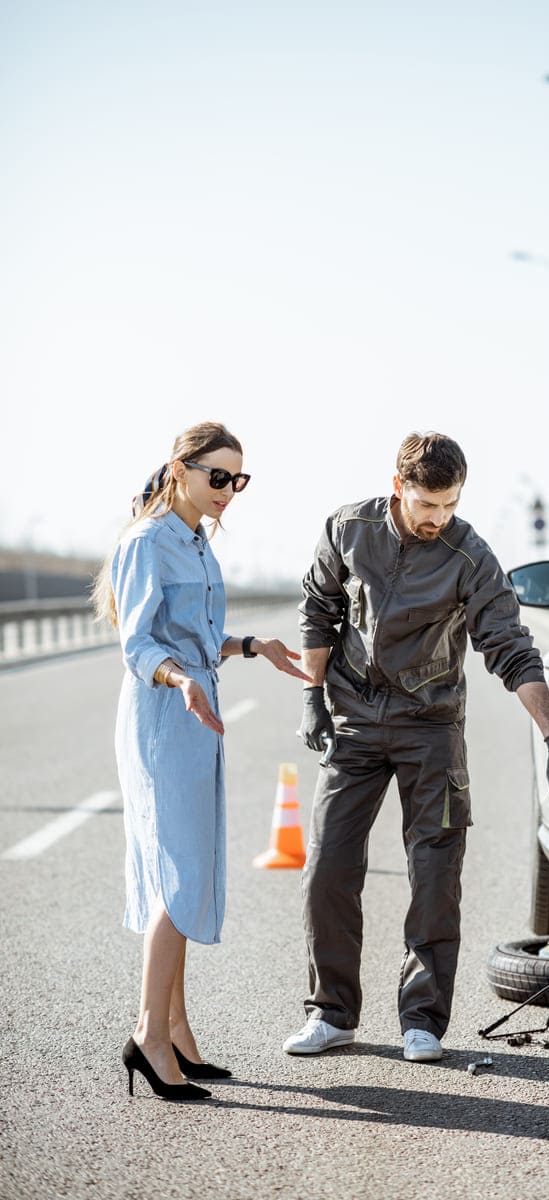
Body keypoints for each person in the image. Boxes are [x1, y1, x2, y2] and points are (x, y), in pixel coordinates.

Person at [283, 431, 549, 1063]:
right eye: (427, 506)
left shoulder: (469, 555)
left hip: (431, 724)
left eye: (449, 505)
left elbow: (509, 645)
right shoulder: (348, 528)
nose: (438, 519)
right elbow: (319, 608)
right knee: (328, 867)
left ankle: (422, 1018)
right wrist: (313, 694)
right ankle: (331, 1013)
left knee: (435, 874)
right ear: (399, 488)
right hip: (355, 722)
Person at [93, 421, 310, 1101]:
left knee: (187, 872)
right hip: (164, 719)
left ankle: (178, 1031)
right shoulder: (147, 542)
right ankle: (148, 1036)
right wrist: (180, 681)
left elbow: (198, 640)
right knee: (180, 879)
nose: (228, 492)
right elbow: (140, 646)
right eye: (217, 476)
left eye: (237, 480)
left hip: (197, 718)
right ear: (179, 469)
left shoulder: (196, 542)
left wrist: (251, 645)